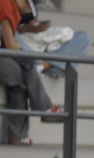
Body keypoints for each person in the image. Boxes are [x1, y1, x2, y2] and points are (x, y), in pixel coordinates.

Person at [0, 0, 63, 144]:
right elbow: (11, 46)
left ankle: (18, 136)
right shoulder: (4, 4)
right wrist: (26, 52)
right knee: (26, 61)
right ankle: (44, 108)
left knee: (17, 77)